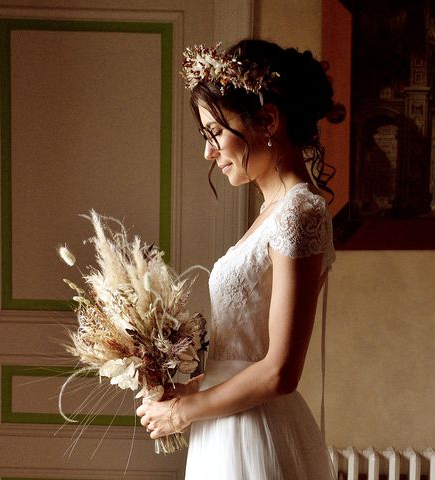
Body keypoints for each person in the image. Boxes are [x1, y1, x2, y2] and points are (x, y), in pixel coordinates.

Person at [136, 39, 337, 480]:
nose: (208, 152)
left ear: (267, 119)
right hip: (227, 425)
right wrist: (185, 391)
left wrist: (186, 412)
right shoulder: (272, 214)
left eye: (215, 133)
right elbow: (242, 352)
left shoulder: (300, 212)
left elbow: (280, 371)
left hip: (254, 433)